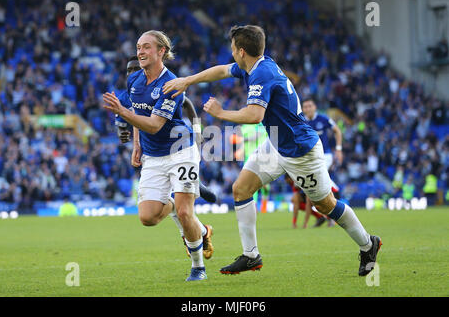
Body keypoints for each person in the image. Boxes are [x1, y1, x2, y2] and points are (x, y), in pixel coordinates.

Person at [163, 25, 381, 277]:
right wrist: (187, 80)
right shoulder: (256, 65)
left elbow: (256, 115)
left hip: (300, 152)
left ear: (241, 51)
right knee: (240, 189)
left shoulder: (261, 74)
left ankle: (368, 244)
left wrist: (221, 113)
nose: (231, 53)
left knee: (326, 205)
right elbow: (222, 70)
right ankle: (251, 255)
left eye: (233, 48)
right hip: (277, 143)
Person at [103, 30, 211, 281]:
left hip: (180, 151)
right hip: (152, 155)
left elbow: (154, 124)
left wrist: (122, 111)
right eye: (138, 47)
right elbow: (139, 115)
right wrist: (136, 145)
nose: (140, 51)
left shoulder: (172, 84)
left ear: (161, 51)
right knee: (148, 217)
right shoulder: (134, 81)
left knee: (186, 213)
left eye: (147, 47)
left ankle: (198, 267)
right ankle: (200, 229)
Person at [300, 97, 344, 228]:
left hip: (325, 156)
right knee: (316, 186)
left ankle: (335, 193)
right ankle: (330, 215)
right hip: (309, 157)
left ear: (315, 107)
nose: (307, 108)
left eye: (310, 106)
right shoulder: (301, 121)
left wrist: (339, 149)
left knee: (319, 181)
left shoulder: (323, 119)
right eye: (305, 106)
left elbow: (337, 130)